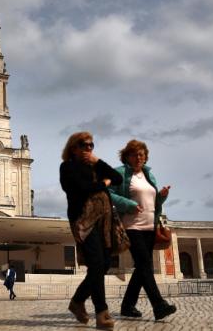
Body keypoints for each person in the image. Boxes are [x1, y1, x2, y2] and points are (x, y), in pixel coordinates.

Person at [60, 131, 122, 329]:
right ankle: (102, 313)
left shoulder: (95, 166)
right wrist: (102, 184)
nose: (88, 148)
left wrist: (98, 161)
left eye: (91, 145)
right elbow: (79, 189)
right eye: (84, 145)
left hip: (103, 221)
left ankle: (77, 301)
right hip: (83, 220)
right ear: (73, 148)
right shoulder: (67, 167)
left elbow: (117, 178)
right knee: (96, 264)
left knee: (103, 265)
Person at [109, 139, 177, 321]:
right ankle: (159, 305)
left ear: (145, 156)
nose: (138, 157)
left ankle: (127, 306)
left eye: (141, 154)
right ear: (127, 157)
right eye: (134, 154)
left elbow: (152, 202)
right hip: (132, 226)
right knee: (145, 265)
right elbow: (108, 192)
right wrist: (128, 204)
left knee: (142, 268)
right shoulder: (120, 173)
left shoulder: (149, 175)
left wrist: (161, 197)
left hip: (149, 226)